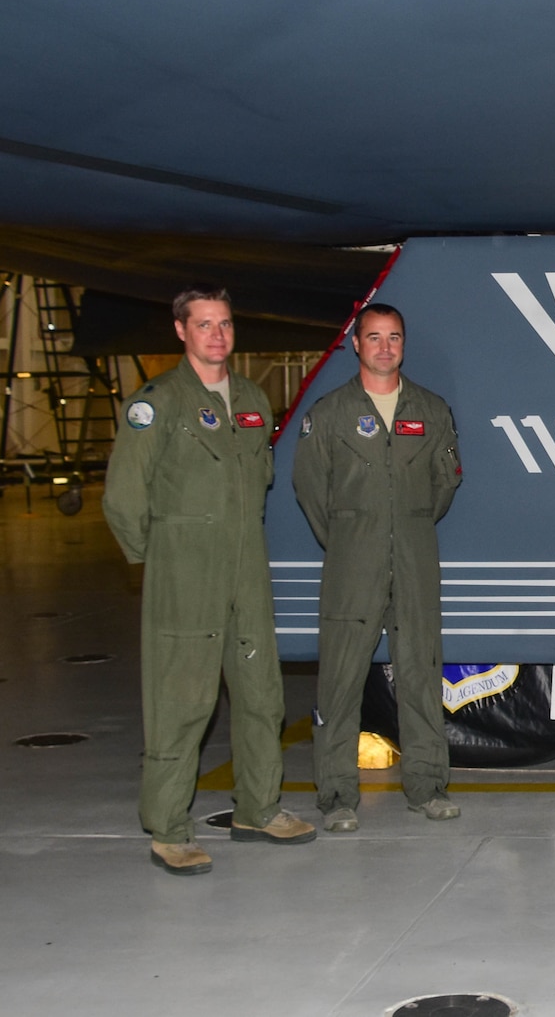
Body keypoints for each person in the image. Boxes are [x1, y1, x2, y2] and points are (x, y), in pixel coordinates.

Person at [104, 285, 318, 875]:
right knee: (182, 700)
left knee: (261, 693)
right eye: (204, 324)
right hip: (185, 567)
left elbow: (262, 479)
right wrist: (166, 560)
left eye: (224, 323)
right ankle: (169, 828)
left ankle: (258, 807)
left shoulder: (251, 397)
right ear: (181, 331)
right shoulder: (159, 402)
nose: (217, 335)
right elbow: (124, 497)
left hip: (246, 564)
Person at [294, 303, 464, 831]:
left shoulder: (431, 410)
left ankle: (427, 787)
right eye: (374, 337)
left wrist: (405, 526)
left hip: (415, 560)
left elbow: (444, 484)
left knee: (420, 675)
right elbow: (309, 489)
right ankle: (338, 796)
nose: (385, 347)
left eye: (394, 337)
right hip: (352, 565)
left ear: (403, 345)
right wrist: (353, 537)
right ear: (356, 344)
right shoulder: (329, 414)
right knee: (340, 683)